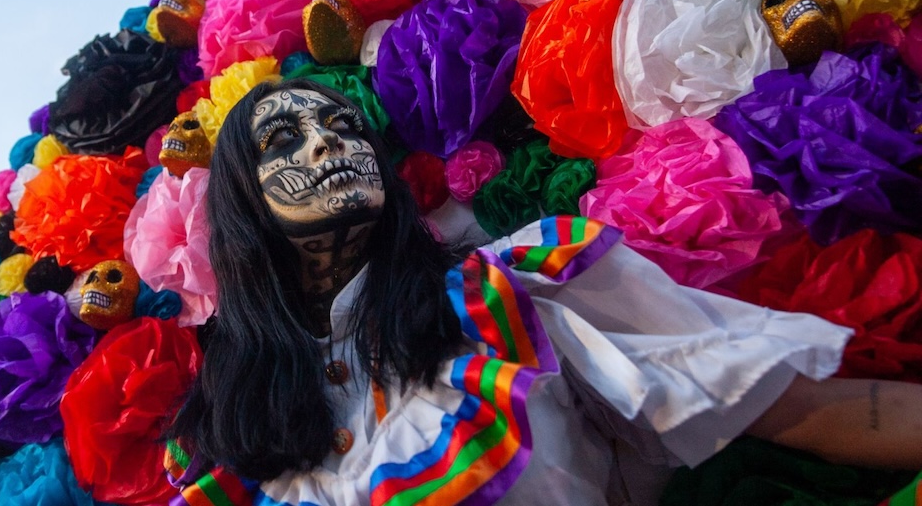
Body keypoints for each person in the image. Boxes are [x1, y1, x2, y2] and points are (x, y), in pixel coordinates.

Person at [168, 78, 922, 505]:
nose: (330, 142)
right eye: (283, 140)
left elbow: (794, 406)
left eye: (342, 124)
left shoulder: (511, 294)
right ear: (242, 207)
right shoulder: (232, 450)